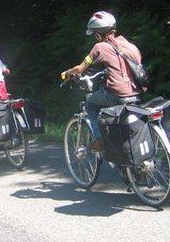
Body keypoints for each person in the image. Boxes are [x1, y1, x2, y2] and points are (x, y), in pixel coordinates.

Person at [61, 11, 145, 150]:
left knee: (91, 103)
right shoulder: (129, 45)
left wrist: (67, 73)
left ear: (99, 33)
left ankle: (100, 140)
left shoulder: (99, 47)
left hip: (117, 94)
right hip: (136, 93)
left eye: (95, 33)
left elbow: (80, 68)